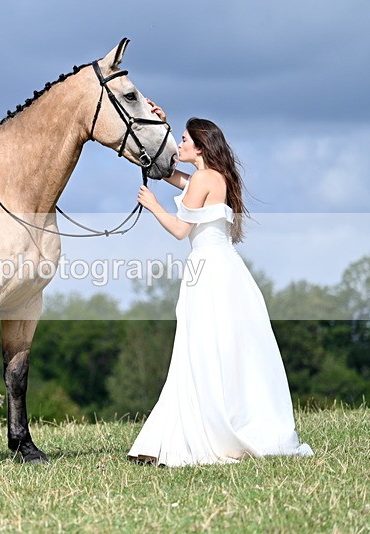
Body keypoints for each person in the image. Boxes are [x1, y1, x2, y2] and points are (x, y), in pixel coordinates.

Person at [127, 102, 313, 467]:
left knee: (201, 348)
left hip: (208, 272)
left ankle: (206, 432)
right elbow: (172, 176)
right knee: (223, 349)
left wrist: (152, 206)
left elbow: (182, 230)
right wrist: (160, 127)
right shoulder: (217, 177)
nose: (179, 146)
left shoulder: (204, 179)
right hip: (226, 270)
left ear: (198, 146)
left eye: (183, 140)